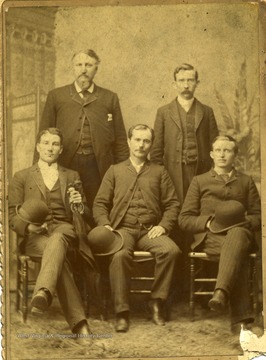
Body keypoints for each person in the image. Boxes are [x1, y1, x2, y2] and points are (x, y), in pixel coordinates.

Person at [92, 124, 181, 333]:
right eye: (138, 140)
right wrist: (105, 224)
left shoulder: (159, 171)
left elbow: (173, 204)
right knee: (120, 255)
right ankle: (122, 312)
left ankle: (156, 302)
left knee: (171, 251)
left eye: (146, 141)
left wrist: (163, 226)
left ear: (151, 144)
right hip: (122, 229)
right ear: (129, 142)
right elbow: (100, 203)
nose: (141, 145)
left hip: (150, 230)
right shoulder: (115, 170)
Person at [9, 127, 94, 344]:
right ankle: (80, 326)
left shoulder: (72, 176)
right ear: (38, 147)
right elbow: (11, 215)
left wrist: (78, 205)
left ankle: (43, 292)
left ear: (61, 149)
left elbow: (86, 214)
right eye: (45, 143)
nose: (50, 147)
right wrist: (28, 229)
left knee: (58, 239)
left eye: (55, 144)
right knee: (59, 257)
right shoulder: (21, 176)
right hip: (35, 238)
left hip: (64, 230)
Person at [178, 135, 261, 330]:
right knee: (236, 252)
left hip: (241, 232)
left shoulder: (246, 181)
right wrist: (207, 223)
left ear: (235, 155)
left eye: (228, 150)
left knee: (237, 236)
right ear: (211, 154)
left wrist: (242, 221)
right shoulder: (199, 181)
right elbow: (184, 218)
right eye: (218, 150)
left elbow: (258, 216)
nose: (222, 155)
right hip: (211, 236)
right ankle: (241, 320)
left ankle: (221, 292)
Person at [37, 49, 129, 209]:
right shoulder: (56, 96)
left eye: (88, 65)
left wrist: (124, 173)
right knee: (64, 207)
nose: (83, 69)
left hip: (98, 166)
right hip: (65, 163)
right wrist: (39, 169)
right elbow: (43, 135)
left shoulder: (109, 97)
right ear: (73, 68)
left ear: (96, 68)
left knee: (97, 208)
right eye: (79, 65)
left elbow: (120, 139)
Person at [150, 63, 219, 205]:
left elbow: (215, 145)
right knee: (175, 206)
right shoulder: (163, 112)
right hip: (173, 171)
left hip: (201, 170)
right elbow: (156, 149)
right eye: (181, 81)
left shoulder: (207, 111)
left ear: (197, 83)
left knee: (199, 205)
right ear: (174, 84)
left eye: (190, 80)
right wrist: (160, 175)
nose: (186, 85)